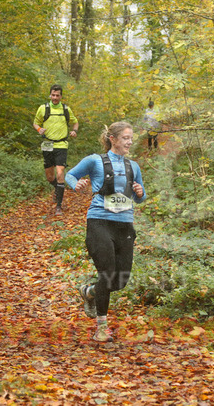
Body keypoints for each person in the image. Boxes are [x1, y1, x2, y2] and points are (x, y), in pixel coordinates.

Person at [65, 121, 146, 342]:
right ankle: (101, 328)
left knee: (120, 281)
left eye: (131, 138)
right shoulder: (94, 161)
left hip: (125, 225)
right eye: (126, 138)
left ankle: (90, 292)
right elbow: (70, 175)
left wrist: (140, 192)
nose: (129, 142)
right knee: (107, 274)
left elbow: (140, 197)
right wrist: (75, 184)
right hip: (99, 222)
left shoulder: (133, 166)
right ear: (113, 139)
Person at [33, 84, 79, 215]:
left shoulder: (66, 109)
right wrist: (39, 129)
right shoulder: (43, 108)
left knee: (60, 173)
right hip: (47, 144)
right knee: (50, 177)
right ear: (50, 95)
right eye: (53, 95)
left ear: (61, 96)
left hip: (61, 145)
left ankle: (58, 206)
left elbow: (75, 122)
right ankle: (58, 189)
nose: (55, 98)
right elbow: (35, 122)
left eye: (57, 95)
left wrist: (74, 131)